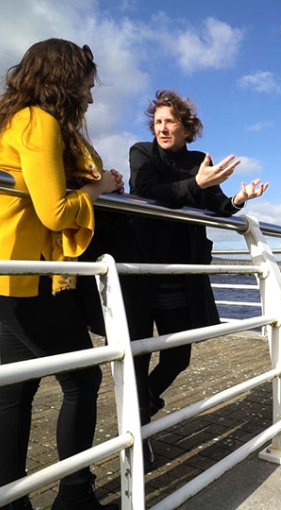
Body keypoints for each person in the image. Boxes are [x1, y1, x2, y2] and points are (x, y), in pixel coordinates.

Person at [0, 39, 123, 510]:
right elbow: (54, 211)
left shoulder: (18, 118)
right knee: (82, 381)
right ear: (67, 81)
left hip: (12, 275)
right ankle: (74, 496)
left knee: (15, 389)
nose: (91, 97)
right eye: (88, 87)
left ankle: (13, 500)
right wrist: (100, 188)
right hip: (25, 277)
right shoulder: (40, 122)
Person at [129, 89, 268, 465]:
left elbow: (217, 207)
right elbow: (147, 192)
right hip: (141, 269)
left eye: (169, 121)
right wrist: (197, 185)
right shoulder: (142, 153)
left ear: (187, 127)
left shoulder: (197, 161)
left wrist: (239, 200)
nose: (162, 128)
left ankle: (141, 410)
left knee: (178, 357)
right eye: (158, 122)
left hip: (181, 272)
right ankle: (135, 436)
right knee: (137, 358)